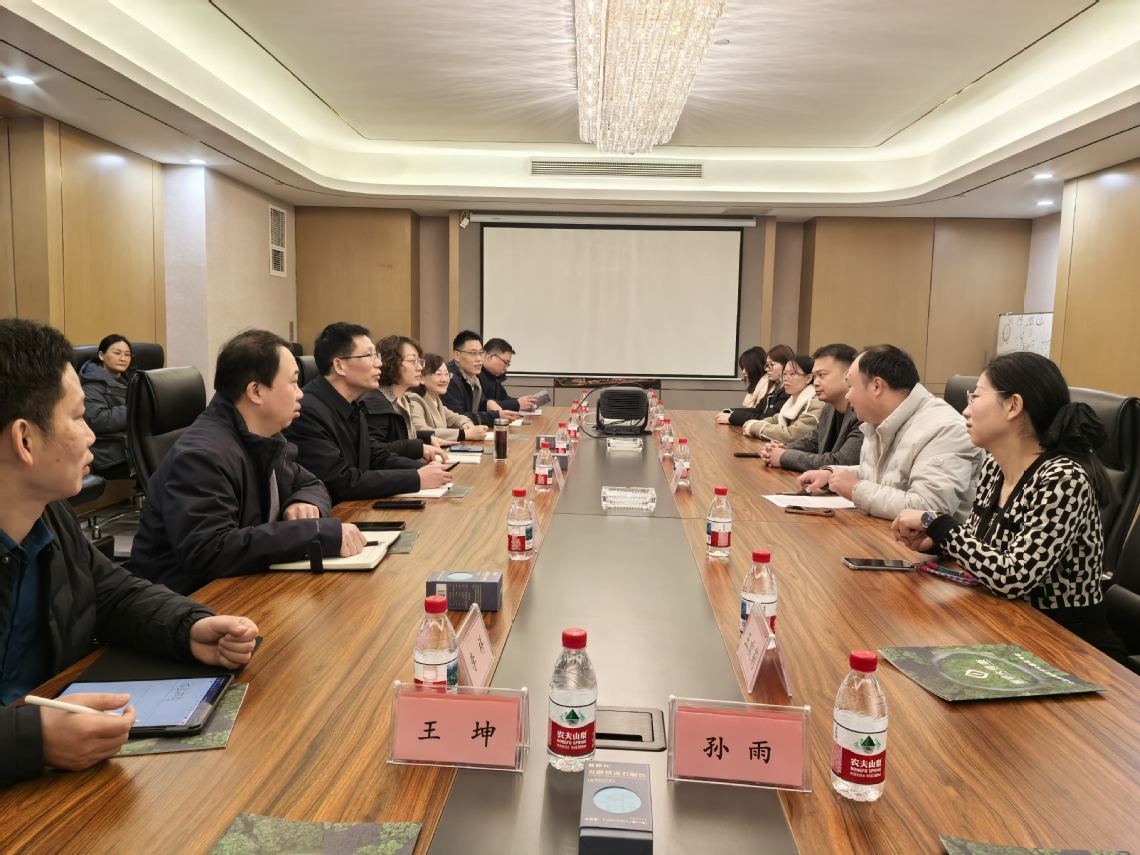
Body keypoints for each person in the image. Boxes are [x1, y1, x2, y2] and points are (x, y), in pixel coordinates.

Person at [0, 319, 259, 785]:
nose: (91, 436)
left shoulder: (48, 514)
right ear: (25, 439)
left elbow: (109, 592)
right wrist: (27, 740)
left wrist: (188, 627)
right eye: (77, 417)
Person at [891, 353, 1129, 664]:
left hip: (1067, 644)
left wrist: (937, 524)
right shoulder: (994, 466)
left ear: (1013, 406)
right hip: (1007, 625)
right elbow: (984, 546)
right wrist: (937, 541)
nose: (966, 409)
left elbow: (1013, 576)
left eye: (976, 396)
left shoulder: (1063, 478)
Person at [131, 329, 366, 595]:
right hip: (193, 600)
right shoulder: (202, 456)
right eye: (293, 382)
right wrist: (314, 534)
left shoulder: (265, 437)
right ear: (256, 391)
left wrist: (304, 502)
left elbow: (311, 483)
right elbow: (210, 552)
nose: (300, 393)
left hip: (247, 584)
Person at [798, 345, 983, 521]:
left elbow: (929, 510)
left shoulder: (944, 429)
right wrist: (831, 475)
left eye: (851, 386)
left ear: (876, 386)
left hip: (930, 543)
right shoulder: (878, 420)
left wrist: (855, 489)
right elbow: (881, 476)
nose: (847, 396)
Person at [284, 323, 452, 504]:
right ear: (339, 366)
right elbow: (340, 481)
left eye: (376, 355)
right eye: (369, 355)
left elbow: (375, 455)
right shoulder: (307, 411)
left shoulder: (350, 403)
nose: (379, 363)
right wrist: (416, 478)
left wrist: (426, 469)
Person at [763, 343, 864, 472]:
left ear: (848, 375)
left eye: (822, 375)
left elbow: (842, 463)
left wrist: (784, 457)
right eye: (814, 376)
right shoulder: (829, 408)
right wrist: (783, 448)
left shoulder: (862, 413)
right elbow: (813, 442)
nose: (815, 382)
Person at [360, 335, 447, 463]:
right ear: (391, 363)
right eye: (412, 361)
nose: (420, 367)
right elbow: (372, 451)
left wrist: (427, 438)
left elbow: (397, 436)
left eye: (419, 361)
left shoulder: (404, 399)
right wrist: (418, 448)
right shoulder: (375, 403)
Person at [79, 334, 133, 477]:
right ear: (101, 355)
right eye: (117, 353)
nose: (123, 359)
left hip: (135, 442)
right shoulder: (90, 385)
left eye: (127, 354)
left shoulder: (132, 378)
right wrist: (136, 409)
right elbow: (97, 419)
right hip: (113, 451)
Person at [442, 331, 518, 427]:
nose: (479, 359)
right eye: (473, 353)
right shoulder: (449, 379)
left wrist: (488, 403)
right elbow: (456, 418)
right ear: (457, 355)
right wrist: (495, 416)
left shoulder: (473, 378)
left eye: (481, 353)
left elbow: (478, 406)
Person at [742, 354, 823, 443]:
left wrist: (755, 427)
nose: (786, 379)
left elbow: (792, 435)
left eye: (792, 374)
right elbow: (776, 419)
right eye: (784, 374)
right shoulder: (793, 399)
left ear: (808, 378)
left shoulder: (817, 403)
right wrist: (753, 423)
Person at [408, 354, 489, 442]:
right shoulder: (413, 400)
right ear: (421, 378)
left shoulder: (436, 400)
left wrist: (466, 424)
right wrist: (464, 434)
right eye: (438, 374)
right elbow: (421, 432)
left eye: (447, 374)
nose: (445, 379)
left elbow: (457, 418)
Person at [717, 344, 794, 425]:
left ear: (786, 365)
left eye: (772, 365)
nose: (767, 369)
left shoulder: (788, 392)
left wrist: (733, 417)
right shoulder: (776, 389)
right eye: (767, 365)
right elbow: (757, 410)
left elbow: (767, 419)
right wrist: (731, 412)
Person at [481, 338, 537, 413]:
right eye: (505, 362)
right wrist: (517, 404)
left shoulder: (494, 377)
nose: (506, 368)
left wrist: (524, 402)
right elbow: (482, 405)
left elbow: (503, 398)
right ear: (491, 357)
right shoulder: (475, 376)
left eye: (508, 364)